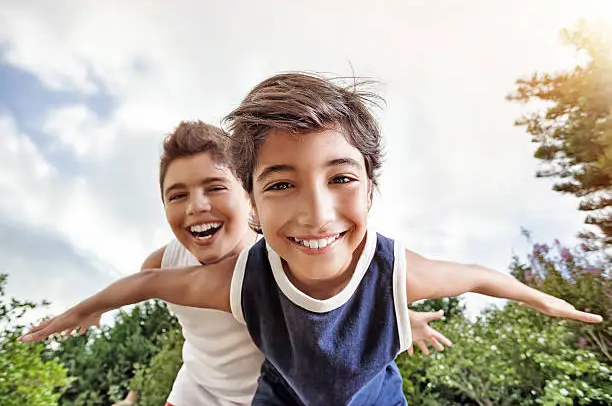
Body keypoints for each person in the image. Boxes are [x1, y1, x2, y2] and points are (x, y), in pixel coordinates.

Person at [21, 73, 602, 406]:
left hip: (361, 390)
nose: (315, 213)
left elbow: (476, 275)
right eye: (282, 185)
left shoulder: (383, 265)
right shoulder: (224, 275)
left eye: (341, 178)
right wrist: (85, 310)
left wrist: (543, 300)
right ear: (258, 197)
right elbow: (143, 284)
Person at [45, 120, 451, 406]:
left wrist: (402, 317)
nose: (197, 207)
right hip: (195, 394)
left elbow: (356, 292)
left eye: (215, 187)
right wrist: (96, 306)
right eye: (177, 194)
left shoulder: (286, 254)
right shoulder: (163, 262)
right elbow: (136, 287)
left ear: (249, 195)